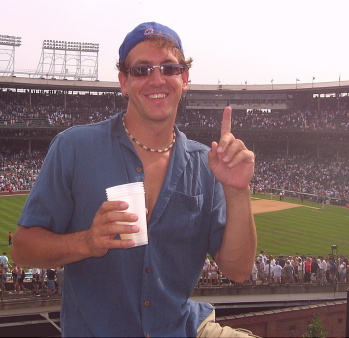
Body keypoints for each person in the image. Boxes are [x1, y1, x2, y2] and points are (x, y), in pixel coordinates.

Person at [11, 22, 257, 337]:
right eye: (141, 70)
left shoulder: (207, 164)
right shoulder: (74, 147)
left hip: (182, 328)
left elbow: (238, 270)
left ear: (184, 78)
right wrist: (87, 241)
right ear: (124, 83)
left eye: (169, 67)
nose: (157, 79)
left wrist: (237, 191)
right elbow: (23, 249)